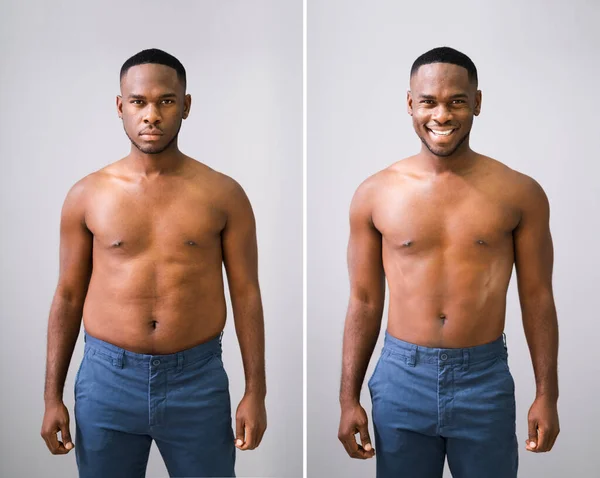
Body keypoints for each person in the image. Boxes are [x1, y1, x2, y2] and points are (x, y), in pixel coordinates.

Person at [40, 48, 267, 478]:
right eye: (139, 102)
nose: (151, 115)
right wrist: (52, 396)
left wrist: (256, 392)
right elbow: (68, 295)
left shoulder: (223, 195)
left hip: (197, 380)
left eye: (165, 101)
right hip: (107, 380)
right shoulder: (87, 195)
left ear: (185, 105)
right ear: (120, 107)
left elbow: (246, 294)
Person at [337, 46, 559, 478]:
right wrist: (348, 399)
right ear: (410, 104)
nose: (442, 115)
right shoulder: (375, 193)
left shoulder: (520, 193)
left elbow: (537, 297)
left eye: (457, 100)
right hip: (401, 377)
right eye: (429, 102)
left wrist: (546, 393)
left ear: (477, 102)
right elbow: (364, 300)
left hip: (484, 378)